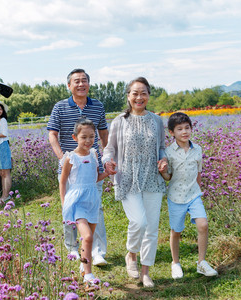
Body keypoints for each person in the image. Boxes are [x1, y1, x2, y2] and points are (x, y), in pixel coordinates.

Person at [102, 77, 167, 288]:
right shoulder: (120, 121)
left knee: (152, 228)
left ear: (148, 95)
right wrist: (106, 161)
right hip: (127, 177)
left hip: (152, 178)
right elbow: (110, 148)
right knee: (139, 221)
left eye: (144, 93)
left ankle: (146, 271)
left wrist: (164, 159)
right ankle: (131, 254)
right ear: (128, 96)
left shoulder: (157, 121)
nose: (139, 97)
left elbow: (161, 148)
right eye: (135, 93)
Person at [47, 68, 109, 266]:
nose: (81, 84)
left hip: (92, 166)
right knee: (69, 208)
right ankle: (72, 247)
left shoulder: (97, 106)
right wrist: (61, 157)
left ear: (88, 84)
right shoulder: (60, 107)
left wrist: (106, 157)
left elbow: (104, 134)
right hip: (69, 166)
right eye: (76, 81)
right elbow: (52, 135)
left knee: (95, 207)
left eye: (84, 80)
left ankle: (98, 251)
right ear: (69, 85)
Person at [158, 112, 218, 279]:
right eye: (179, 129)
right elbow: (169, 177)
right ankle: (175, 263)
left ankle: (202, 262)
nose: (184, 132)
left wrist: (198, 190)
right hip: (176, 197)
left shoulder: (197, 149)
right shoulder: (169, 152)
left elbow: (199, 172)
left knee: (203, 225)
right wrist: (163, 172)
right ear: (171, 132)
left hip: (194, 195)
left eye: (187, 128)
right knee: (176, 231)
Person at [60, 118, 109, 287]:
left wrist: (107, 173)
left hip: (92, 200)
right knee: (87, 237)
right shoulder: (70, 157)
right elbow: (63, 180)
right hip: (77, 201)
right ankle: (88, 274)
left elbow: (95, 178)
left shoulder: (95, 154)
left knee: (90, 238)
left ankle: (83, 264)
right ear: (75, 137)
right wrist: (64, 202)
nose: (88, 141)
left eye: (91, 137)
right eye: (84, 137)